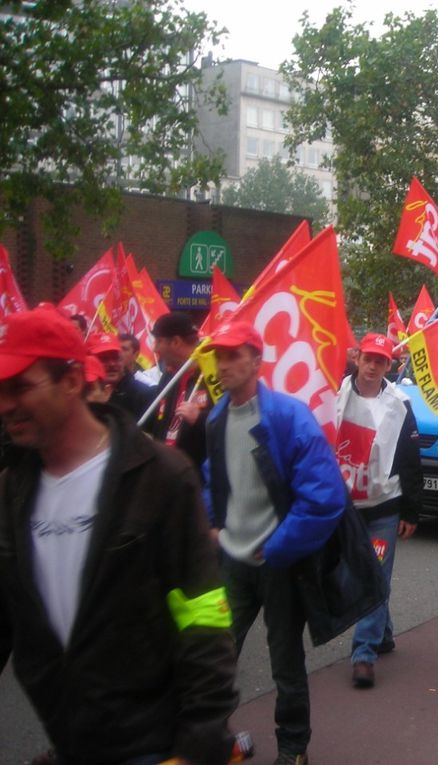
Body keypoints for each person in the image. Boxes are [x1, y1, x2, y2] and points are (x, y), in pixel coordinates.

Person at [0, 306, 238, 763]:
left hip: (151, 746)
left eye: (20, 387)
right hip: (69, 741)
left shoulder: (161, 477)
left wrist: (199, 742)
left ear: (71, 381)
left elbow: (204, 616)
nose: (5, 403)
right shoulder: (10, 492)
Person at [204, 319, 347, 765]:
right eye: (218, 355)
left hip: (278, 564)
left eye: (232, 355)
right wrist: (212, 522)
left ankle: (293, 748)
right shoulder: (216, 416)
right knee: (214, 654)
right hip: (232, 562)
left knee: (285, 662)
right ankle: (215, 739)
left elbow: (325, 497)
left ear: (256, 359)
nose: (222, 364)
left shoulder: (288, 416)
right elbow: (214, 479)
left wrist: (278, 547)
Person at [335, 332, 423, 689]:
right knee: (349, 577)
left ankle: (364, 654)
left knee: (376, 574)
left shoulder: (399, 404)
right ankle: (383, 633)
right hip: (344, 508)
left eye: (381, 361)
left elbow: (411, 461)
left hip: (384, 509)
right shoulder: (334, 394)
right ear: (357, 358)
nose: (373, 366)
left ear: (391, 365)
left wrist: (412, 512)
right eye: (368, 358)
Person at [148, 312, 211, 470]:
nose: (154, 348)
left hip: (197, 480)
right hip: (166, 475)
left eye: (159, 341)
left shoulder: (211, 375)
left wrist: (200, 419)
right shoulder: (168, 377)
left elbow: (229, 424)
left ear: (175, 342)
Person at [87, 331, 157, 418]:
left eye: (115, 357)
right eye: (104, 358)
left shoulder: (144, 394)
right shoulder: (78, 392)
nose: (112, 364)